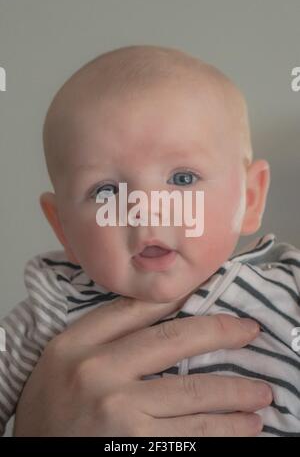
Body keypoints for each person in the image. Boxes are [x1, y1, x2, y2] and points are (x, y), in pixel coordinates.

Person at [1, 44, 299, 436]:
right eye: (106, 191)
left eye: (182, 179)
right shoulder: (51, 308)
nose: (147, 211)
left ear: (250, 198)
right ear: (63, 228)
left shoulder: (289, 292)